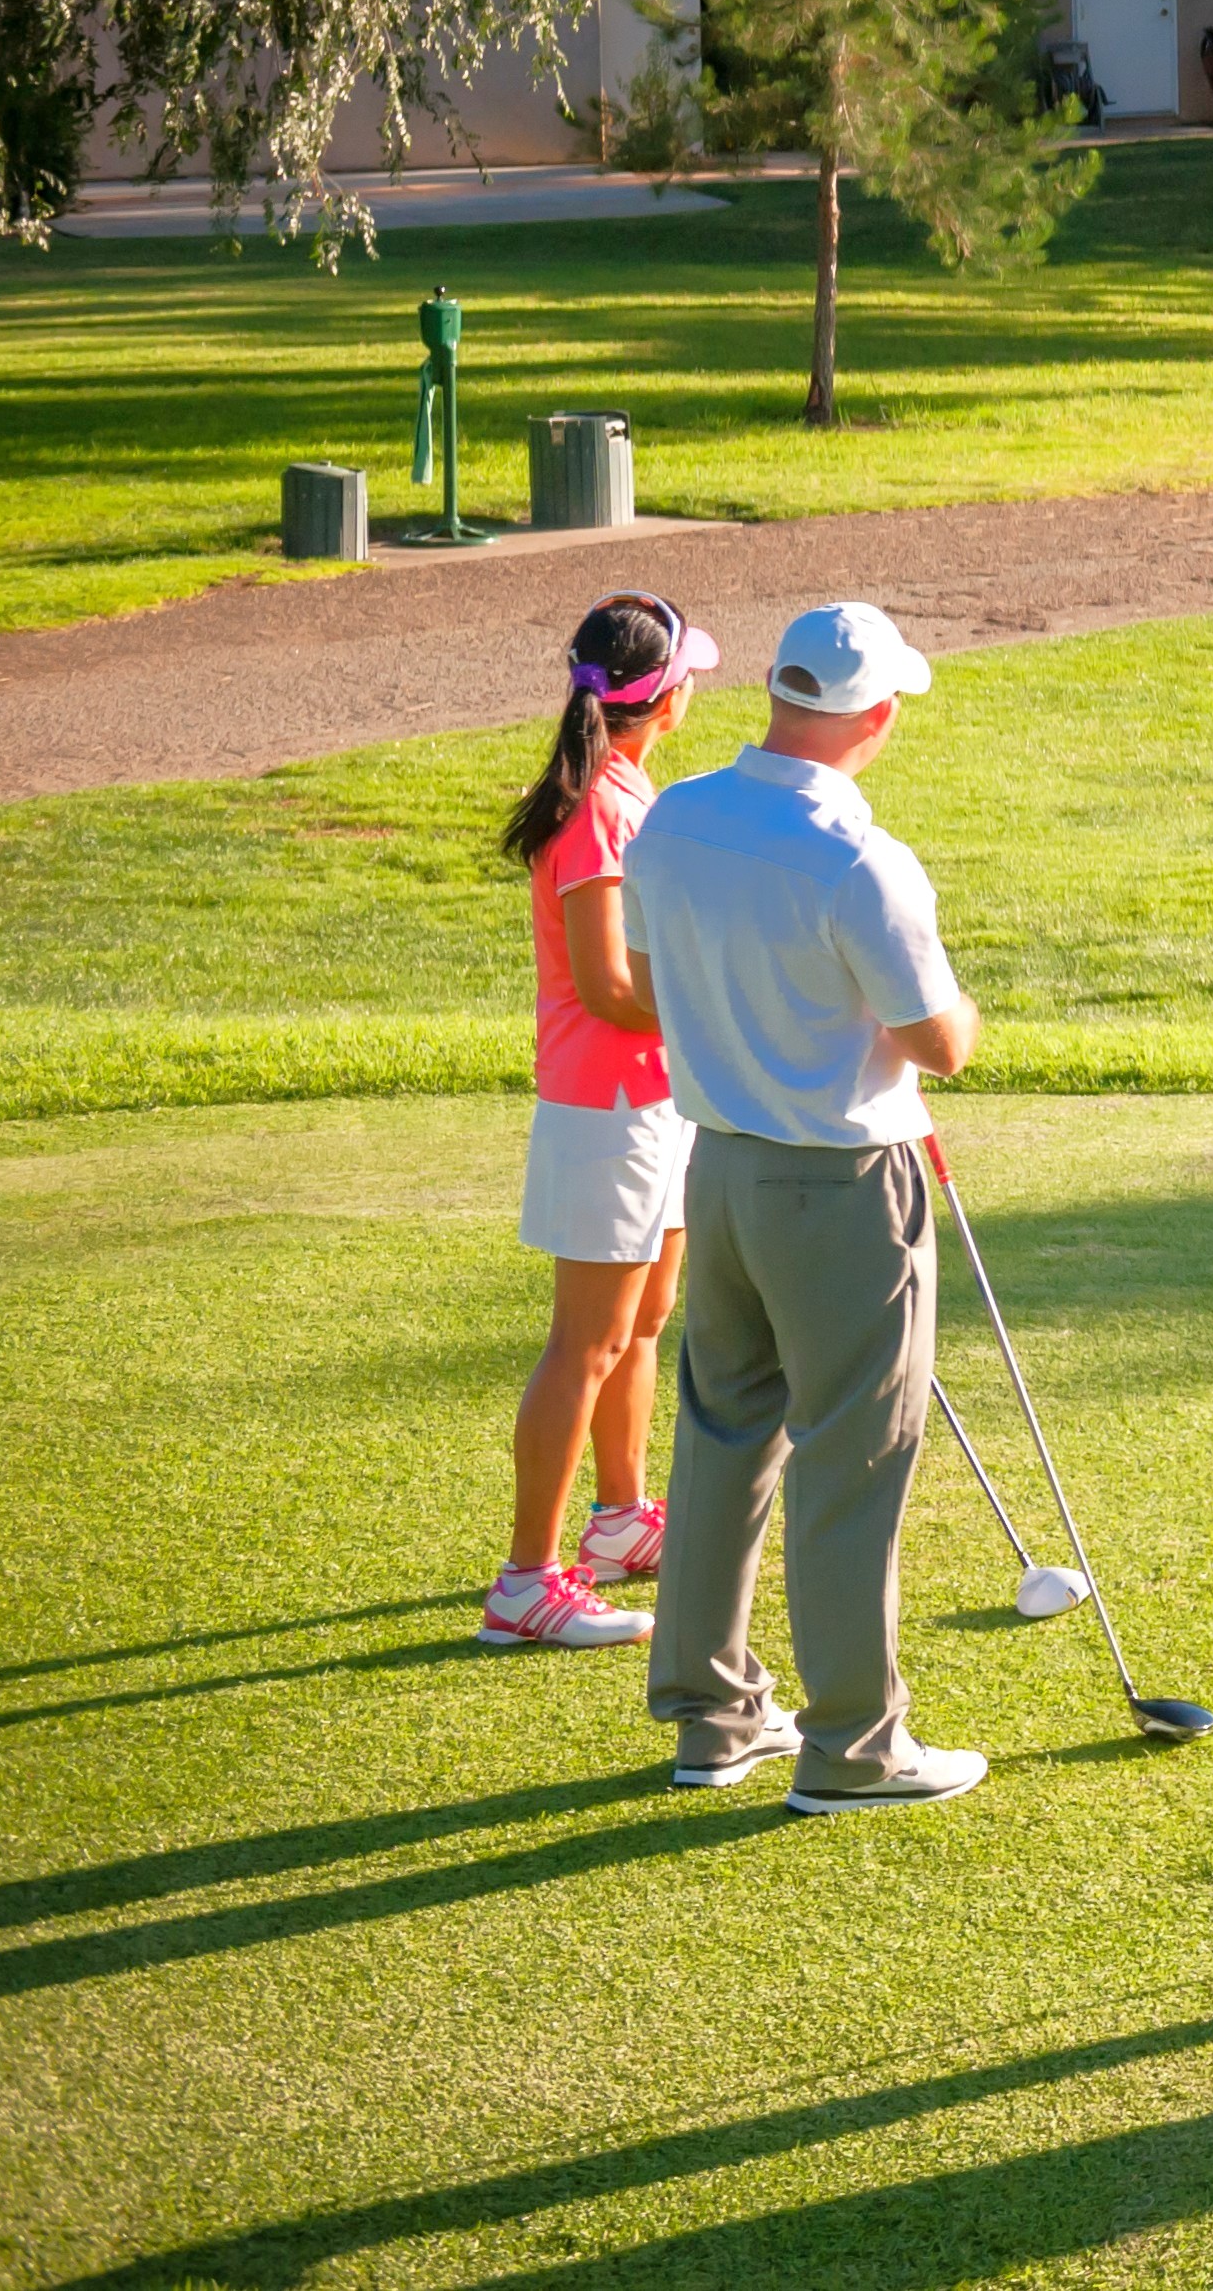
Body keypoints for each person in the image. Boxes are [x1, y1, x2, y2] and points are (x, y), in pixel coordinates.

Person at [622, 599, 989, 1813]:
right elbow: (940, 1044)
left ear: (781, 693)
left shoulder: (675, 816)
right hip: (843, 1187)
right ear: (874, 716)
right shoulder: (862, 861)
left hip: (719, 1170)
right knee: (853, 1458)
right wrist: (957, 1013)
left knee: (723, 1435)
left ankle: (713, 1718)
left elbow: (653, 978)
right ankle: (854, 1749)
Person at [482, 595, 723, 1650]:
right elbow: (609, 986)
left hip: (653, 1099)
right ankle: (526, 1584)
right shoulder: (598, 813)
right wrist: (721, 1007)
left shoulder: (626, 791)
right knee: (586, 1342)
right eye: (688, 675)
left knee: (644, 1320)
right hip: (608, 1108)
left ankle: (621, 1520)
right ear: (664, 701)